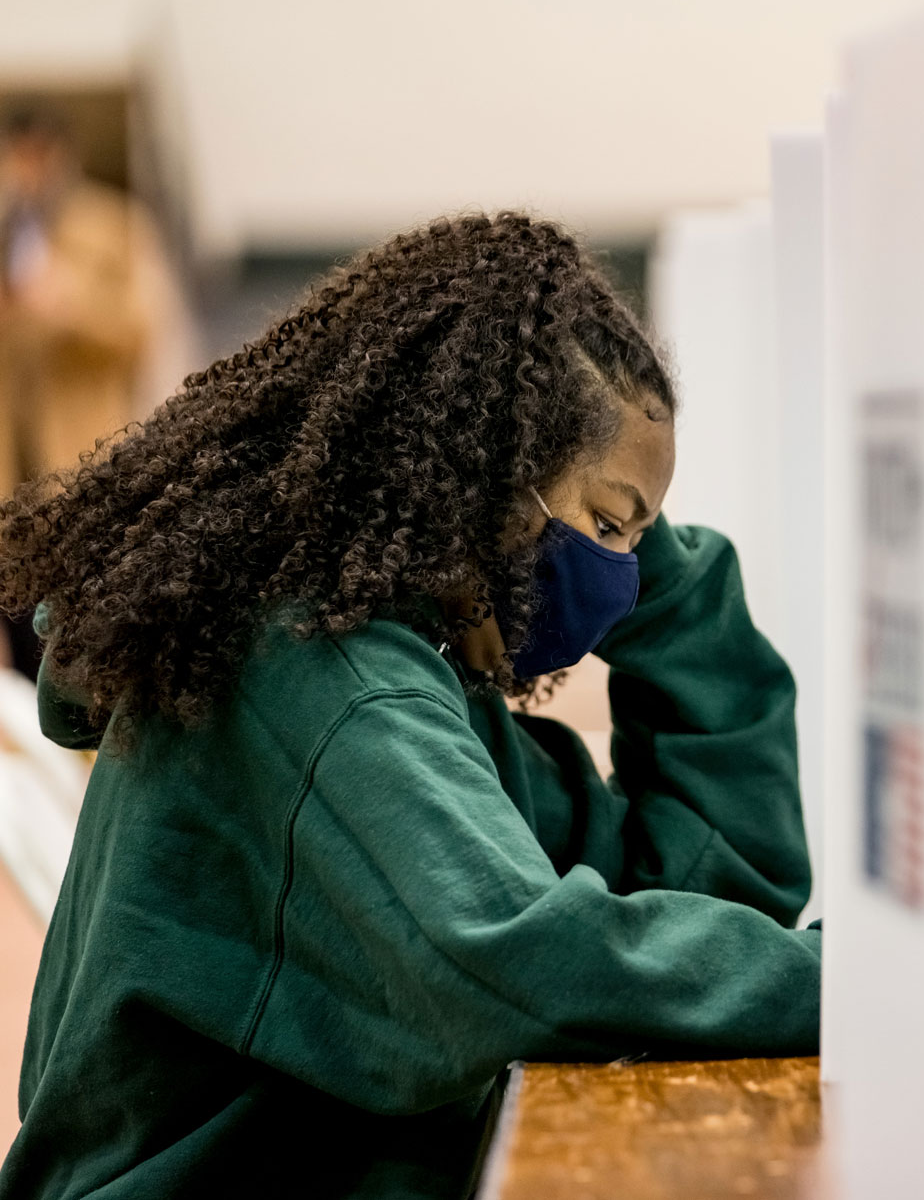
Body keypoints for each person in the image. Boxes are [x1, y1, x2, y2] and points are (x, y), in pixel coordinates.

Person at [0, 213, 820, 1198]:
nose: (621, 576)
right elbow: (523, 967)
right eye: (606, 527)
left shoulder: (417, 676)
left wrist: (651, 547)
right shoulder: (324, 677)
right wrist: (867, 989)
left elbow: (709, 888)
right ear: (486, 483)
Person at [0, 103, 163, 676]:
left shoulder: (112, 225)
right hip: (10, 464)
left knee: (79, 620)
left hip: (76, 455)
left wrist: (68, 304)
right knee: (18, 628)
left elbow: (139, 330)